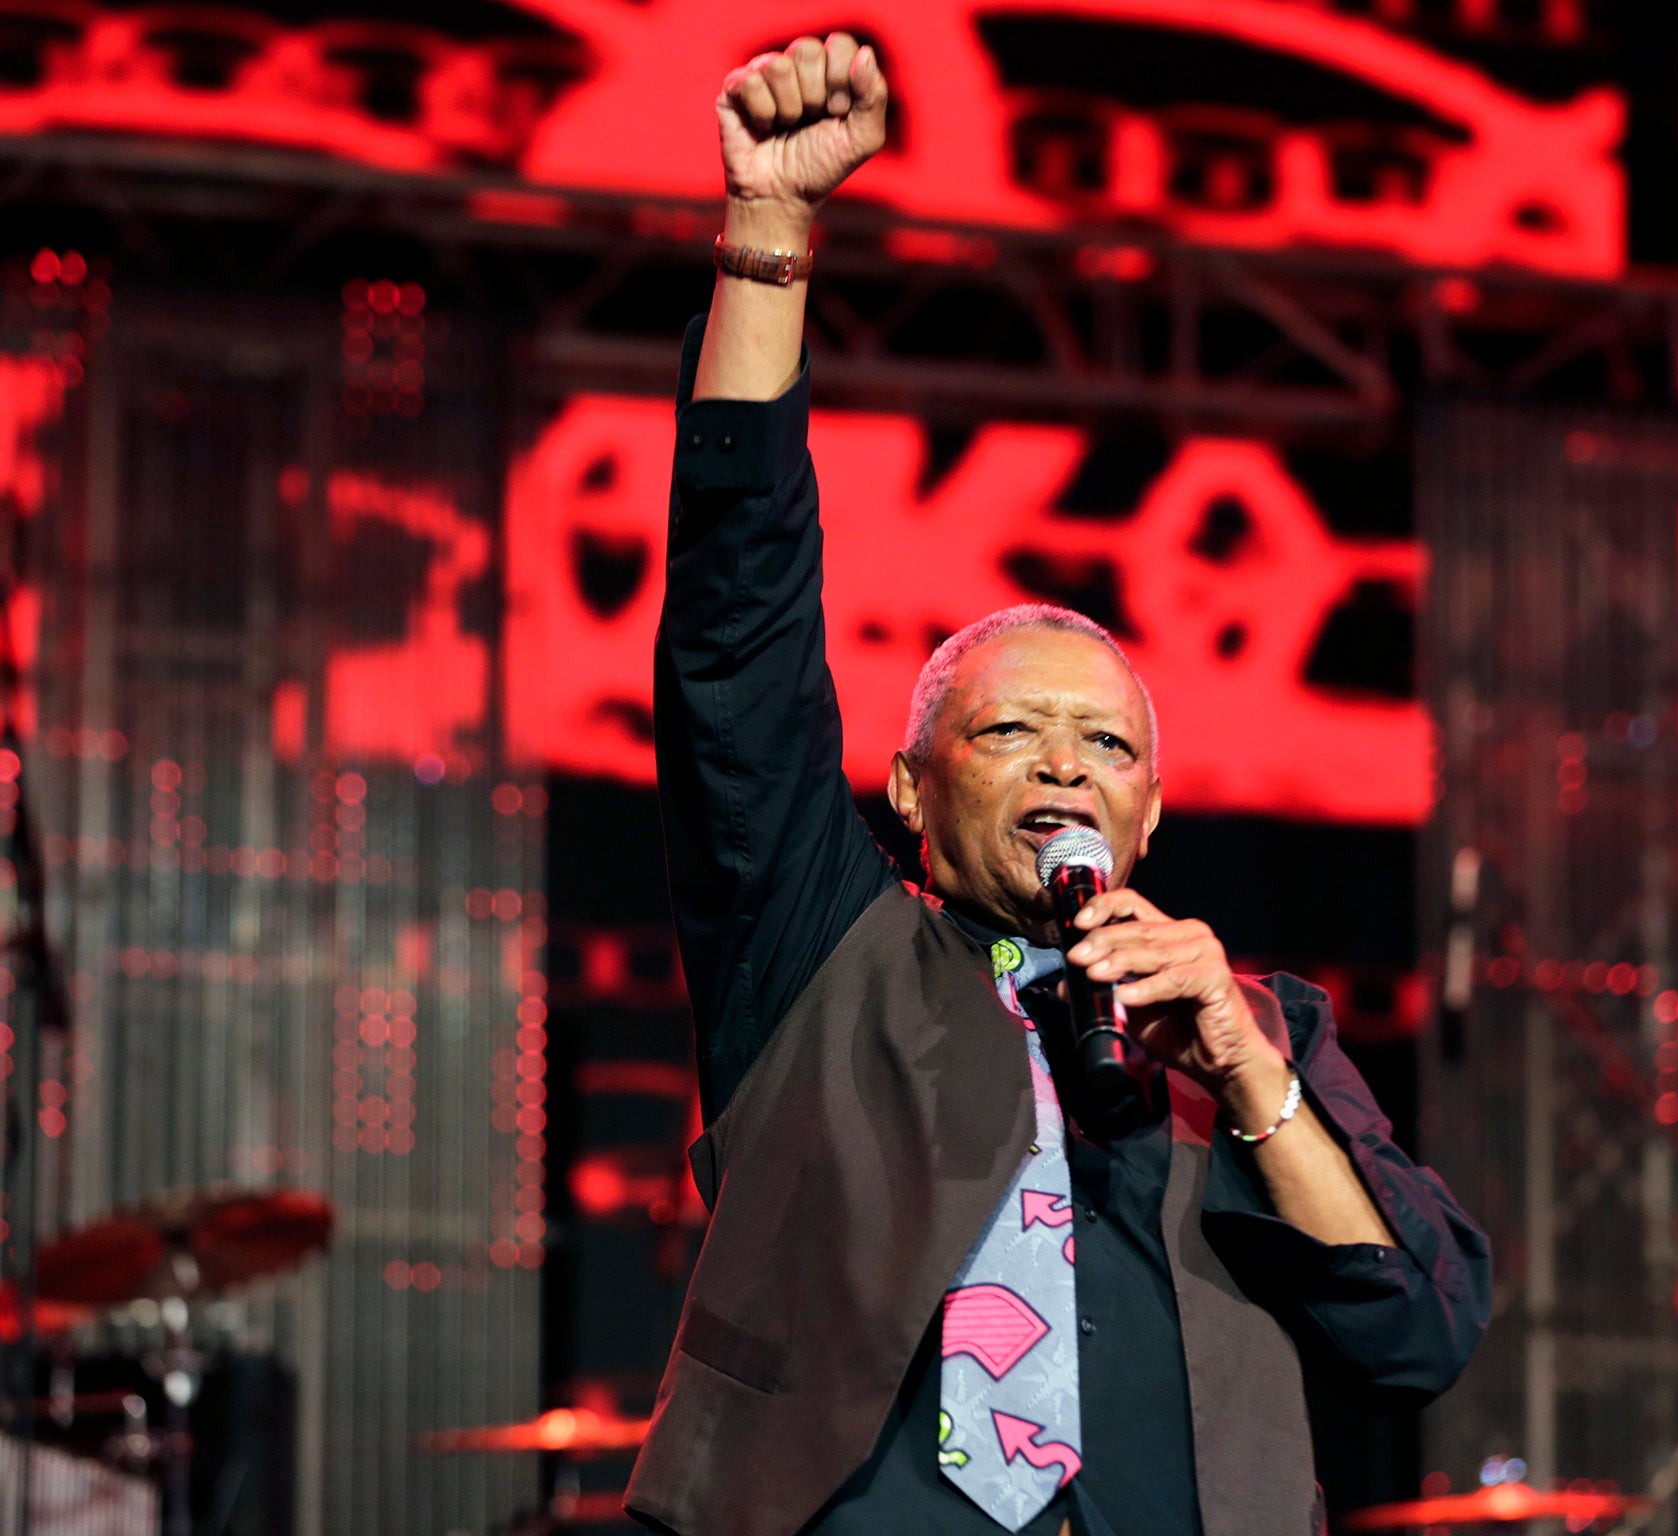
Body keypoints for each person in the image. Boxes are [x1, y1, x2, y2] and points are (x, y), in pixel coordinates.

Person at [626, 33, 1490, 1536]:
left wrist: (1245, 1068)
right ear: (907, 787)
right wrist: (770, 240)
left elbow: (1413, 1335)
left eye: (1106, 746)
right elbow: (736, 630)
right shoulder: (821, 955)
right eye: (1010, 733)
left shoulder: (1255, 1033)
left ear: (1151, 813)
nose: (1064, 766)